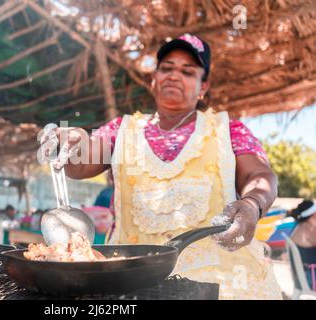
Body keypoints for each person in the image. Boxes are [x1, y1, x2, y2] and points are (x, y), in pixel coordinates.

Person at [41, 33, 282, 299]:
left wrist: (252, 204)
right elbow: (81, 163)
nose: (174, 75)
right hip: (130, 281)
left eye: (188, 71)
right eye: (166, 68)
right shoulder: (121, 130)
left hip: (222, 283)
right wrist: (75, 142)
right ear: (153, 80)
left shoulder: (229, 130)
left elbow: (259, 175)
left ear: (204, 87)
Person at [289, 199, 316, 290]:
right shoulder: (310, 230)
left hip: (300, 279)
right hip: (311, 280)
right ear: (314, 214)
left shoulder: (298, 226)